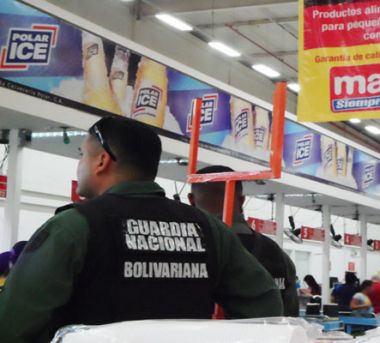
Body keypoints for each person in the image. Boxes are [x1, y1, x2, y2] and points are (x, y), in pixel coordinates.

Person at [0, 116, 282, 342]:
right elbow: (264, 303)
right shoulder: (208, 230)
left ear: (101, 161)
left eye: (82, 155)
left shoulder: (74, 227)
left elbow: (13, 324)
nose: (80, 165)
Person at [188, 165, 299, 317]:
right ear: (241, 201)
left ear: (191, 200)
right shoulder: (279, 256)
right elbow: (291, 320)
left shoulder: (190, 249)